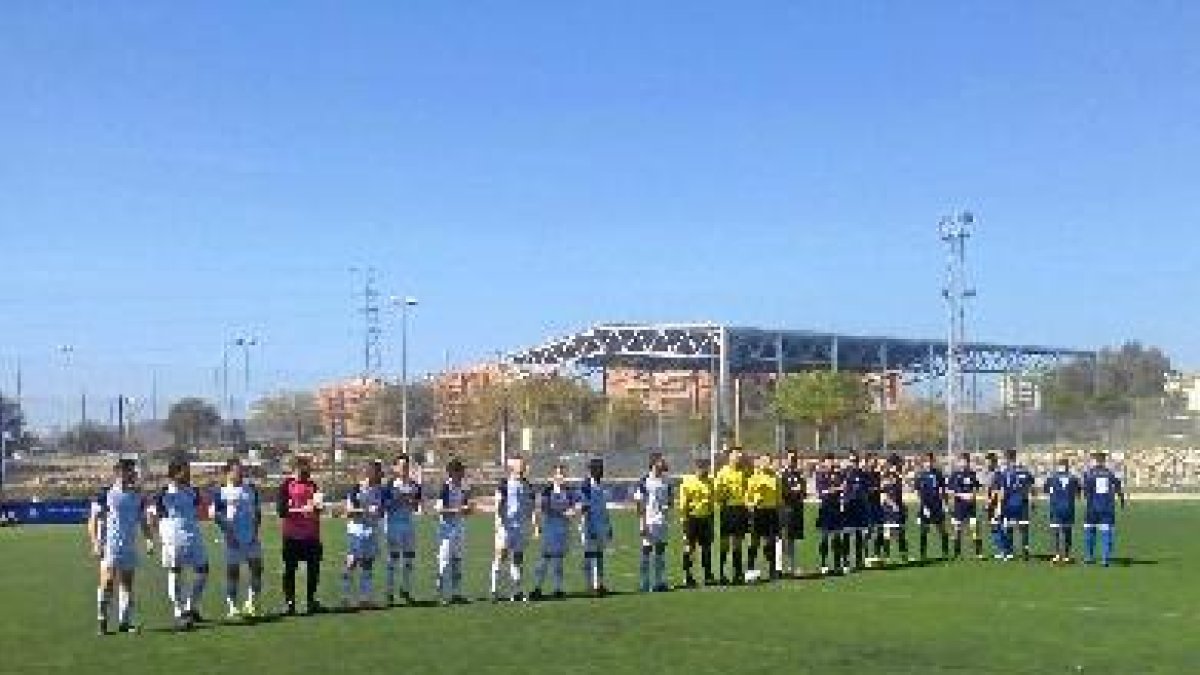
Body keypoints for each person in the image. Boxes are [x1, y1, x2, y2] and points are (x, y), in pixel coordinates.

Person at [89, 458, 153, 636]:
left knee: (127, 584)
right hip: (110, 545)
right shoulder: (105, 494)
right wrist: (95, 543)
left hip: (129, 545)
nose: (135, 474)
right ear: (120, 472)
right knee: (107, 582)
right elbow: (93, 519)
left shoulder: (137, 495)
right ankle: (102, 620)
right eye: (131, 471)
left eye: (134, 471)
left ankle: (125, 621)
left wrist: (148, 539)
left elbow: (142, 520)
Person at [154, 458, 209, 631]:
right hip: (173, 537)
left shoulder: (193, 491)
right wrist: (159, 535)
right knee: (176, 571)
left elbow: (200, 507)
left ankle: (191, 607)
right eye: (185, 471)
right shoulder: (164, 493)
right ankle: (179, 611)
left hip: (193, 535)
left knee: (203, 570)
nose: (189, 474)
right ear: (175, 473)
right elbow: (153, 514)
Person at [212, 457, 263, 620]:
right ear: (227, 473)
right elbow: (217, 515)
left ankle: (251, 603)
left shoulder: (251, 489)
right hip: (232, 539)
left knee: (256, 570)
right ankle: (232, 607)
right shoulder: (221, 492)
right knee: (233, 573)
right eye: (236, 470)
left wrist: (255, 531)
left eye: (241, 470)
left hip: (251, 537)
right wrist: (227, 533)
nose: (240, 473)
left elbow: (257, 511)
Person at [277, 454, 325, 616]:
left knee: (314, 569)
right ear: (296, 468)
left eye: (308, 468)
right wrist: (301, 510)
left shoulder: (313, 485)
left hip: (311, 536)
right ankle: (289, 603)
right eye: (305, 468)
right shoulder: (286, 485)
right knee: (290, 570)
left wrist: (316, 510)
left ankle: (311, 600)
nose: (308, 471)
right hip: (292, 536)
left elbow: (318, 508)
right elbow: (281, 511)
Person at [342, 460, 386, 609]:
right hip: (357, 531)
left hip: (371, 531)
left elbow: (381, 511)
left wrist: (378, 512)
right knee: (352, 562)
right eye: (379, 471)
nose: (381, 474)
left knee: (368, 564)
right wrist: (367, 511)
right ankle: (346, 597)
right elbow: (348, 512)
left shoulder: (380, 490)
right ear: (370, 472)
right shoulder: (357, 489)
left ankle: (365, 599)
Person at [491, 455, 535, 602]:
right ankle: (494, 590)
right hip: (506, 526)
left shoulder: (527, 485)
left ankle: (517, 591)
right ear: (513, 467)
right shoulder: (504, 484)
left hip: (520, 527)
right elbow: (497, 504)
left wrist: (534, 524)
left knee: (518, 559)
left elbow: (531, 506)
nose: (523, 467)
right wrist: (498, 522)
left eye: (523, 465)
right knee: (501, 556)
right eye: (520, 465)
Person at [532, 463, 576, 600]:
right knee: (544, 559)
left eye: (562, 474)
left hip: (563, 529)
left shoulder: (569, 491)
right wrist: (537, 527)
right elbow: (543, 508)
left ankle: (558, 589)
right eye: (558, 474)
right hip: (550, 527)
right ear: (553, 476)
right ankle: (537, 588)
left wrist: (575, 511)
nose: (560, 476)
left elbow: (579, 504)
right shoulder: (547, 491)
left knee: (558, 560)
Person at [383, 453, 422, 605]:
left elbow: (417, 505)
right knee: (393, 559)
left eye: (406, 466)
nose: (404, 468)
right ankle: (390, 592)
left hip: (409, 524)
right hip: (393, 524)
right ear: (395, 468)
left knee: (409, 558)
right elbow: (384, 506)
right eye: (401, 465)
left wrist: (412, 501)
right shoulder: (390, 485)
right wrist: (397, 499)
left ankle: (405, 589)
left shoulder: (414, 485)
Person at [436, 457, 473, 605]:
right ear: (452, 472)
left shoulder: (463, 488)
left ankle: (456, 593)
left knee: (458, 560)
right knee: (444, 561)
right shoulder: (445, 487)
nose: (462, 474)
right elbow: (440, 509)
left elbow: (466, 509)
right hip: (446, 528)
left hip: (459, 527)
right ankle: (442, 594)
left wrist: (468, 510)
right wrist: (458, 510)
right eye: (460, 471)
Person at [635, 452, 672, 592]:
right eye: (662, 461)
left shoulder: (666, 481)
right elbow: (639, 503)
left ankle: (659, 582)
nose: (664, 463)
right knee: (646, 551)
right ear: (654, 463)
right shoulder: (644, 481)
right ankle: (645, 583)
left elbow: (669, 500)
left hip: (661, 522)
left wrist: (667, 509)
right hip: (649, 521)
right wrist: (642, 522)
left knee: (661, 551)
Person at [677, 457, 717, 587]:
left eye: (705, 468)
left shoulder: (710, 481)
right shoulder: (687, 482)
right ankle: (687, 576)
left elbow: (711, 500)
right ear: (695, 469)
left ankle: (707, 575)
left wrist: (711, 517)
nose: (703, 471)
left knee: (706, 548)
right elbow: (683, 503)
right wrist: (684, 519)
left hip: (706, 519)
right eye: (700, 468)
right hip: (691, 519)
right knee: (689, 548)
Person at [714, 447, 751, 585]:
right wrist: (723, 495)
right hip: (727, 510)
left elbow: (748, 489)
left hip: (741, 509)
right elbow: (717, 494)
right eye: (736, 454)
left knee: (737, 543)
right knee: (724, 543)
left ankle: (737, 574)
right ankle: (722, 574)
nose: (738, 457)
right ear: (729, 457)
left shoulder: (744, 472)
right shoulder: (722, 472)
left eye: (740, 455)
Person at [1082, 452, 1127, 567]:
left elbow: (1086, 492)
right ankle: (1105, 559)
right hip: (1107, 508)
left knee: (1089, 532)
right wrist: (1122, 501)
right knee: (1106, 533)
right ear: (1104, 461)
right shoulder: (1110, 474)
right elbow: (1119, 489)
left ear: (1095, 461)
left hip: (1092, 507)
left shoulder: (1089, 474)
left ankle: (1088, 557)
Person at [578, 457, 613, 596]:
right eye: (598, 468)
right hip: (589, 525)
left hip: (600, 525)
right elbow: (584, 508)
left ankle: (599, 584)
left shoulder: (600, 485)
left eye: (601, 468)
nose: (601, 471)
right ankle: (591, 586)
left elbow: (603, 508)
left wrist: (608, 525)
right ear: (592, 470)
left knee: (599, 555)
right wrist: (588, 526)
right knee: (590, 555)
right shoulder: (586, 486)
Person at [746, 453, 782, 582]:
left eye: (769, 461)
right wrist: (754, 502)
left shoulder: (775, 478)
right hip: (758, 512)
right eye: (764, 461)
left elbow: (778, 497)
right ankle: (750, 569)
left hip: (771, 512)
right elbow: (748, 498)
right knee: (754, 542)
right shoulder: (754, 478)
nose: (766, 463)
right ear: (760, 463)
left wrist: (779, 510)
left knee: (771, 542)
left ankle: (772, 570)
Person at [998, 449, 1036, 561]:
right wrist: (1033, 501)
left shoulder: (1005, 473)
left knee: (1009, 527)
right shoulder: (1025, 471)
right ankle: (1025, 551)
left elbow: (1002, 491)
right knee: (1023, 528)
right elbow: (1032, 487)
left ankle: (1009, 553)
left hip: (1009, 503)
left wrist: (999, 507)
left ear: (1007, 459)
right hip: (1023, 503)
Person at [1044, 456, 1081, 564]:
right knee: (1067, 531)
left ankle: (1056, 555)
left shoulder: (1052, 478)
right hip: (1068, 507)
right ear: (1067, 466)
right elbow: (1078, 493)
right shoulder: (1073, 478)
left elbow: (1046, 490)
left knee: (1055, 531)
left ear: (1058, 466)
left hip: (1055, 507)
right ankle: (1067, 556)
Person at [947, 453, 984, 560]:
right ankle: (957, 553)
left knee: (974, 529)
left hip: (971, 507)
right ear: (959, 462)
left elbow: (977, 487)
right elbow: (950, 491)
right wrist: (962, 495)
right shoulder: (954, 475)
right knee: (957, 530)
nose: (964, 463)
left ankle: (979, 553)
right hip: (959, 507)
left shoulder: (972, 474)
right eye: (962, 461)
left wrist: (974, 494)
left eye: (966, 461)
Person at [913, 452, 950, 561]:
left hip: (937, 506)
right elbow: (918, 493)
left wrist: (945, 504)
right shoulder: (919, 475)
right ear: (923, 463)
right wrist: (923, 507)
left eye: (930, 461)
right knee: (924, 530)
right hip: (925, 506)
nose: (928, 464)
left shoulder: (938, 474)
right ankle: (923, 554)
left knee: (942, 530)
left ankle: (945, 552)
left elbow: (943, 491)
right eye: (926, 462)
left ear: (933, 462)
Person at [814, 453, 845, 575]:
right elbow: (822, 493)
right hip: (826, 509)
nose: (831, 463)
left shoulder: (839, 475)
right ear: (824, 463)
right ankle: (823, 564)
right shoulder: (820, 475)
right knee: (825, 537)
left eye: (832, 461)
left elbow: (843, 488)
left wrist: (837, 490)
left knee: (837, 538)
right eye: (828, 461)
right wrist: (836, 489)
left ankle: (837, 564)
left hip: (836, 509)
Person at [778, 450, 807, 577]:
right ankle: (778, 568)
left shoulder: (799, 475)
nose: (792, 461)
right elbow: (782, 492)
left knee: (792, 539)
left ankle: (791, 567)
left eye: (794, 458)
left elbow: (804, 492)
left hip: (796, 510)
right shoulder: (781, 475)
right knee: (781, 539)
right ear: (785, 460)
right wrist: (794, 490)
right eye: (790, 458)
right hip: (785, 510)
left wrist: (801, 491)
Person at [840, 453, 871, 572]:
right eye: (851, 461)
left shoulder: (863, 475)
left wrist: (865, 504)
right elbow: (842, 490)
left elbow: (866, 491)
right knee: (847, 534)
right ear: (848, 461)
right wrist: (842, 504)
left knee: (859, 534)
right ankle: (846, 562)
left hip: (859, 507)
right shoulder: (844, 474)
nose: (853, 463)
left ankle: (859, 561)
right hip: (849, 507)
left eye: (855, 461)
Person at [879, 454, 909, 564]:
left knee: (899, 532)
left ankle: (903, 555)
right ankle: (886, 557)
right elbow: (884, 493)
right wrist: (892, 504)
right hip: (889, 509)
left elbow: (904, 488)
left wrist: (902, 505)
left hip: (898, 507)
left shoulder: (898, 476)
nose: (900, 465)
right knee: (889, 532)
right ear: (894, 464)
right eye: (899, 463)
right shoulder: (887, 475)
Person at [980, 452, 1005, 558]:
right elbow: (986, 488)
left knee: (998, 526)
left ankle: (1004, 550)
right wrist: (986, 501)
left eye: (988, 461)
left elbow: (997, 490)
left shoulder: (998, 473)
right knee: (993, 526)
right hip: (990, 504)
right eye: (986, 461)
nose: (986, 463)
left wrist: (993, 503)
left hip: (997, 503)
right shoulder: (986, 473)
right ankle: (1001, 550)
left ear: (993, 462)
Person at [864, 453, 885, 567]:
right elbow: (865, 490)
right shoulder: (864, 475)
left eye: (876, 460)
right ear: (868, 461)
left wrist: (882, 489)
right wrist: (878, 489)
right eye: (873, 460)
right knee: (869, 531)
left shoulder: (877, 474)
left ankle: (877, 554)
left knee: (880, 530)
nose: (875, 462)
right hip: (868, 506)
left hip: (877, 506)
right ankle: (866, 556)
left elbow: (878, 489)